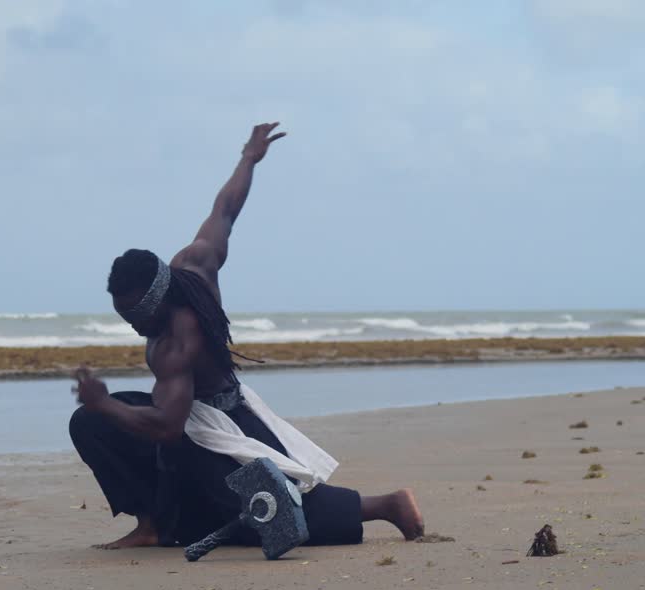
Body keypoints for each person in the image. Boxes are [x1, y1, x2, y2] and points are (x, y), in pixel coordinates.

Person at [69, 122, 424, 550]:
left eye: (134, 316)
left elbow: (166, 426)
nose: (131, 326)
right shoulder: (194, 264)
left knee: (271, 515)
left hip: (223, 426)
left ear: (156, 302)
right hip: (192, 417)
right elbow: (225, 211)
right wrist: (249, 158)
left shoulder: (176, 343)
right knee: (90, 424)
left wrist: (103, 401)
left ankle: (387, 505)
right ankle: (151, 526)